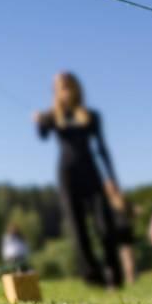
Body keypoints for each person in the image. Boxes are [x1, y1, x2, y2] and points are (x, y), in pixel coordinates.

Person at [34, 71, 124, 288]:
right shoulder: (53, 117)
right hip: (67, 174)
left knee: (105, 225)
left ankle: (114, 274)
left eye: (68, 86)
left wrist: (111, 178)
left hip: (91, 172)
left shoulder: (92, 116)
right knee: (78, 227)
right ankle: (93, 276)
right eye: (60, 87)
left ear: (76, 89)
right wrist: (38, 121)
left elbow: (102, 148)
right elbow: (43, 136)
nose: (65, 91)